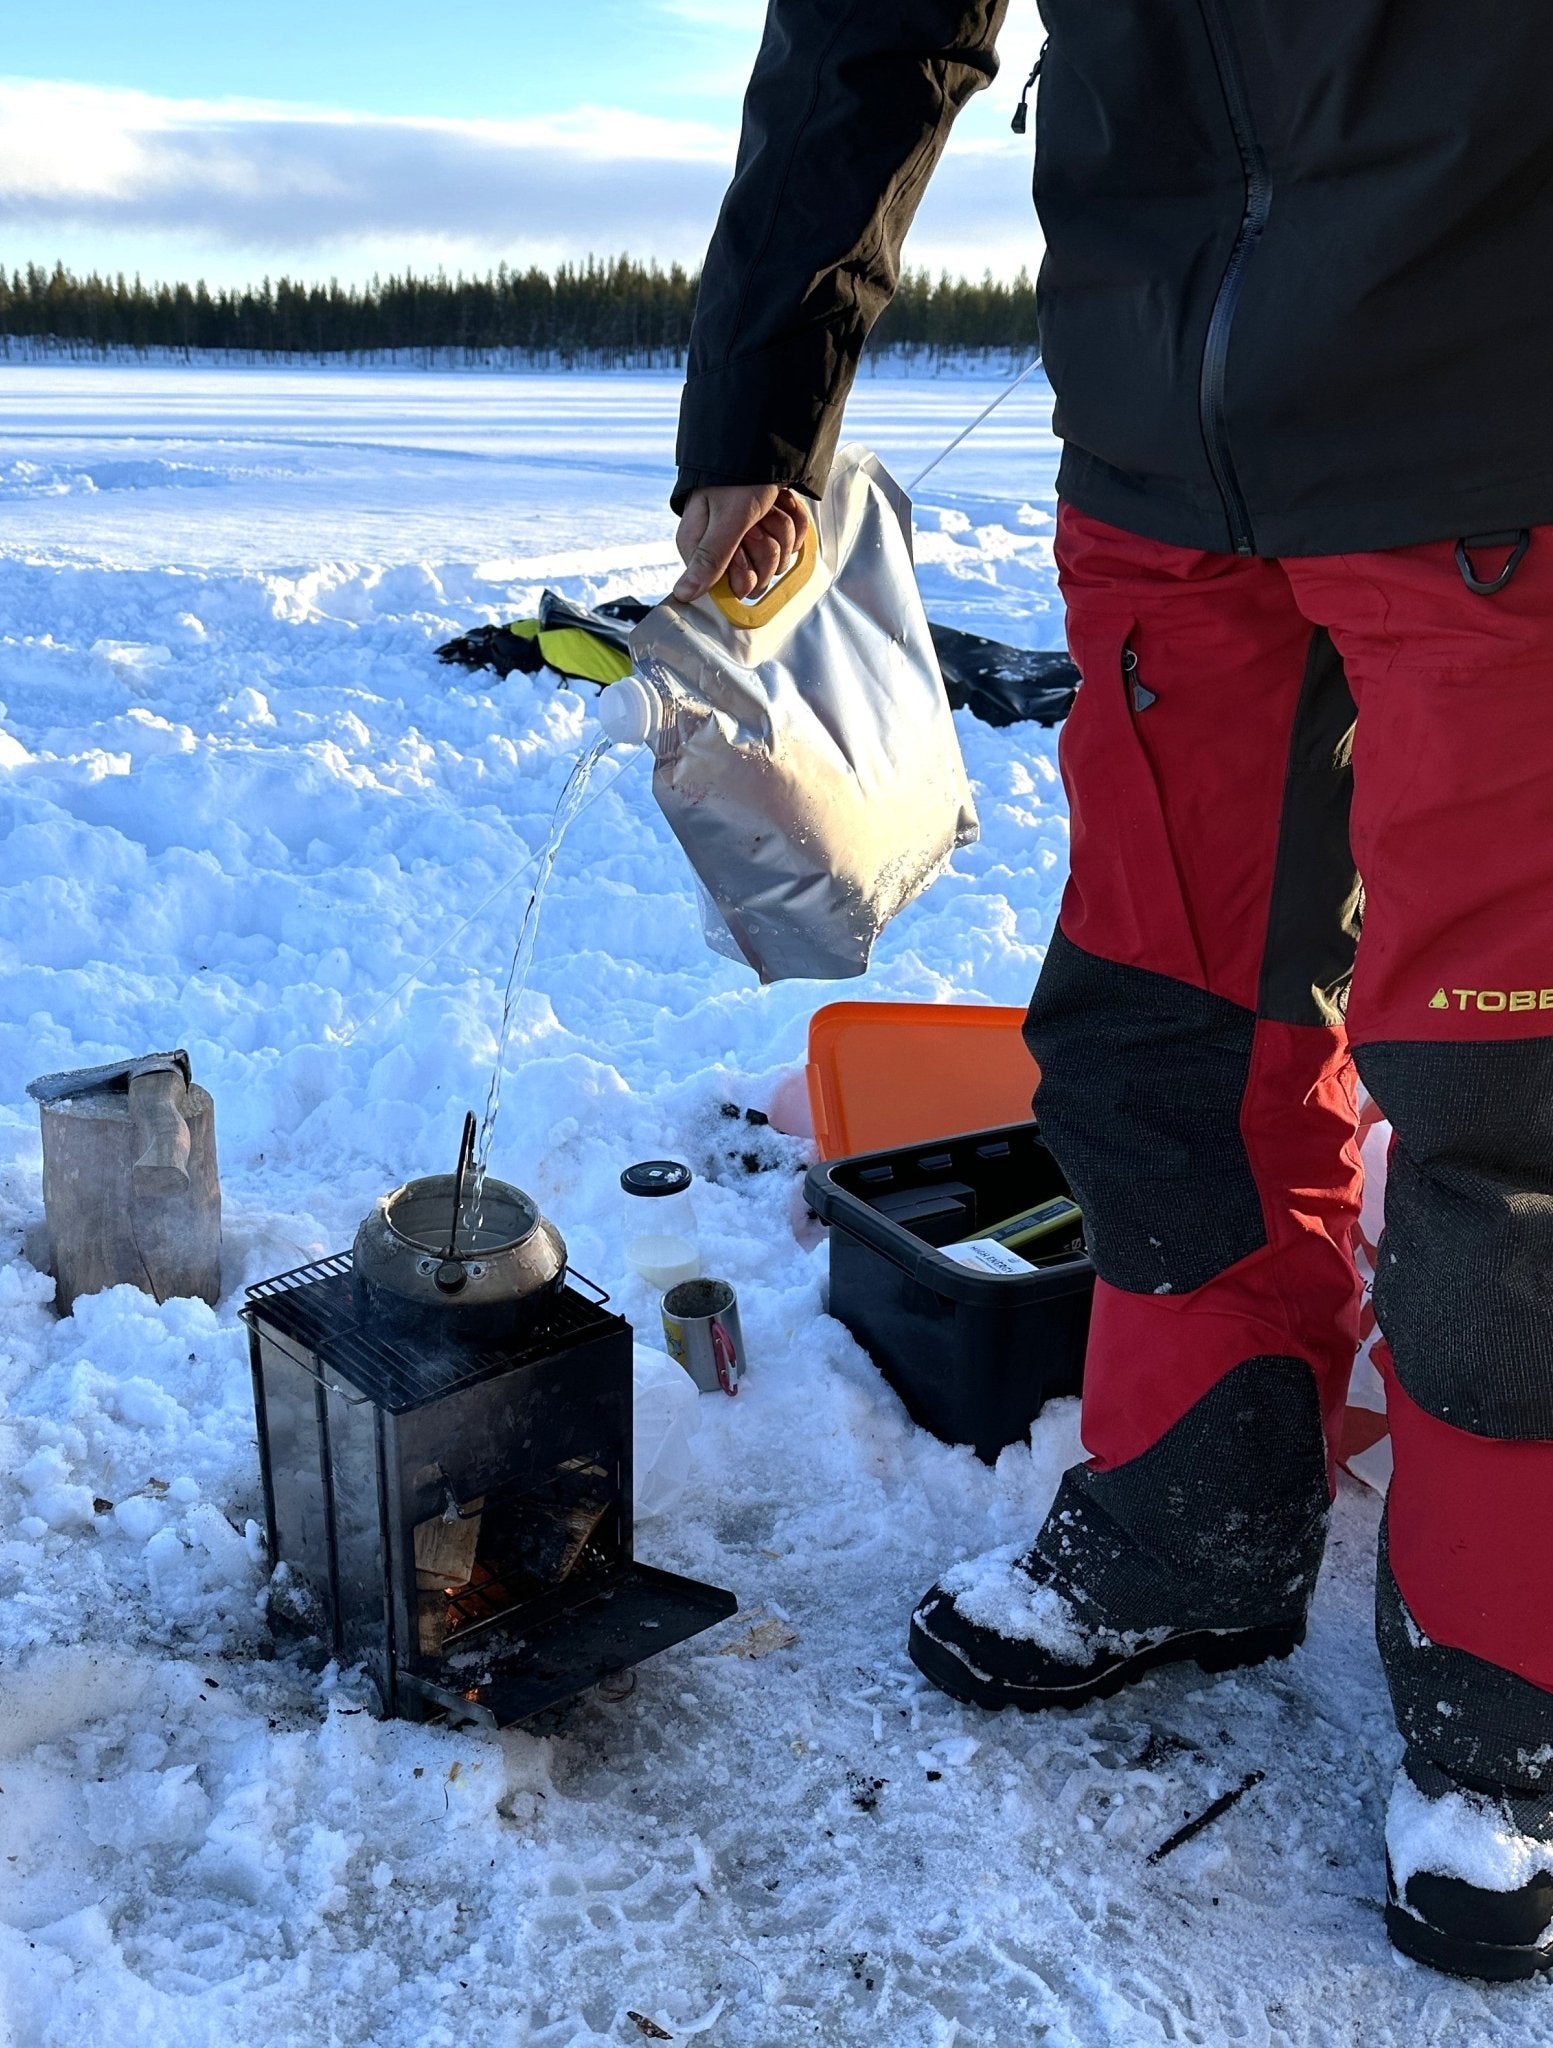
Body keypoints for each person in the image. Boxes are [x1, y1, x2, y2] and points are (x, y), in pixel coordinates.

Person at [669, 1, 1553, 1984]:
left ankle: (1514, 1667)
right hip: (1160, 430)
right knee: (1165, 1013)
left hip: (1495, 404)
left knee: (1513, 1092)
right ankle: (1195, 1496)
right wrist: (756, 405)